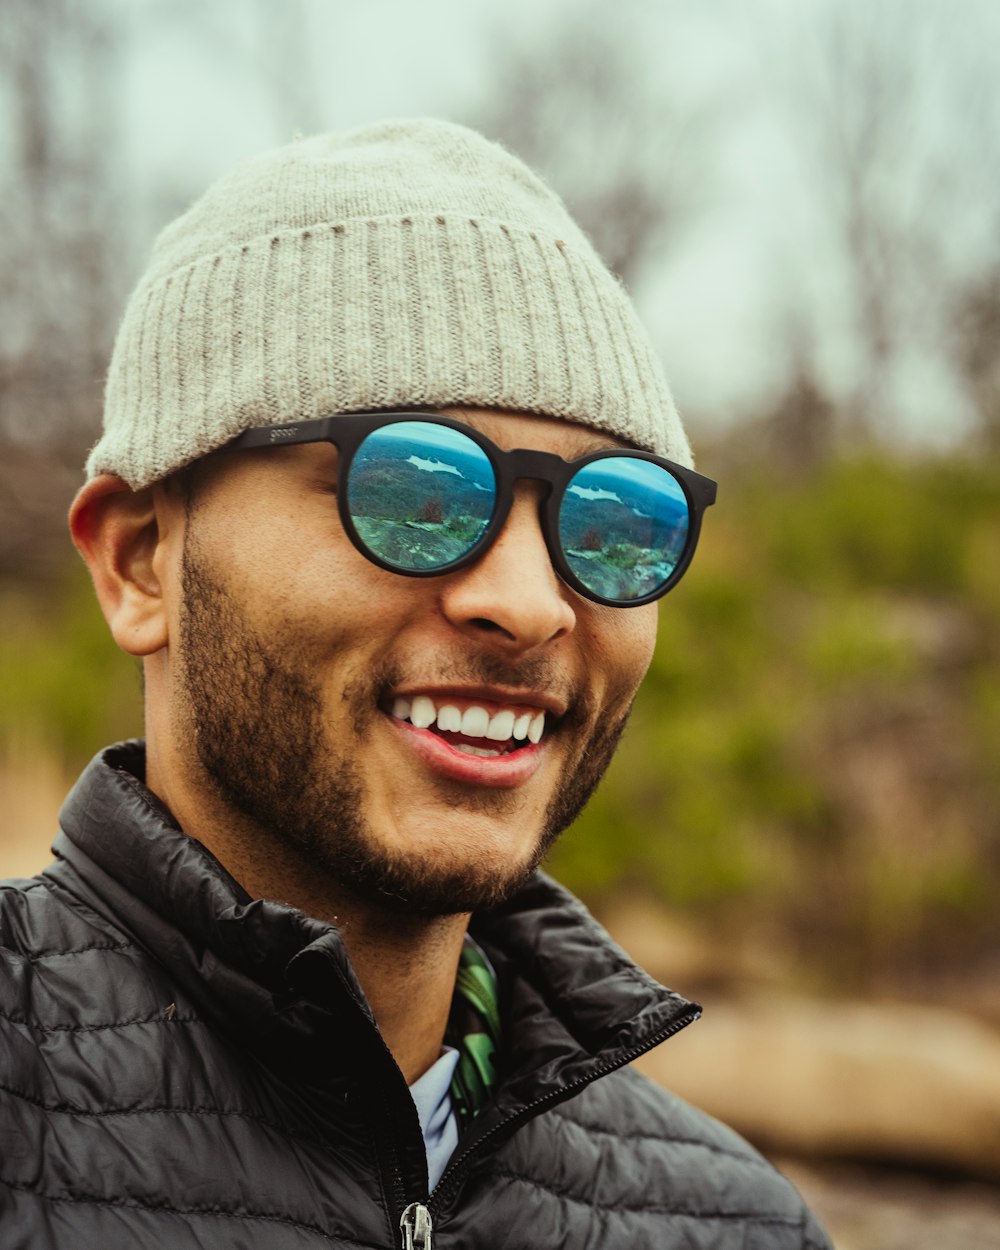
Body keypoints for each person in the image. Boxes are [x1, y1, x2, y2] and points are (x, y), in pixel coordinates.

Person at [0, 119, 831, 1249]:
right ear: (141, 556)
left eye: (617, 522)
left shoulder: (729, 1225)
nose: (533, 601)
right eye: (412, 490)